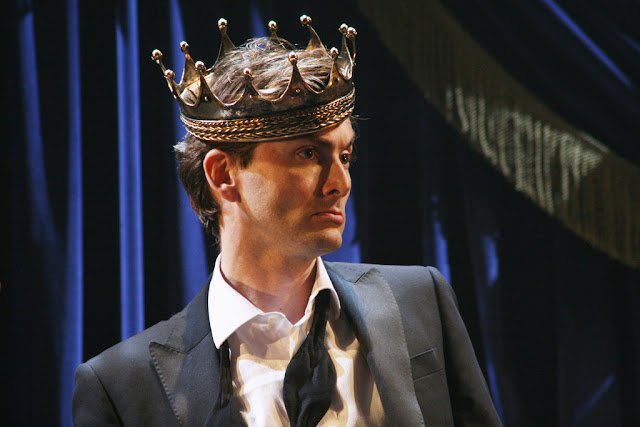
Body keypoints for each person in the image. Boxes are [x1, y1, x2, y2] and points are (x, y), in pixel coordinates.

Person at [72, 16, 501, 426]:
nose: (340, 183)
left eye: (345, 156)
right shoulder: (122, 387)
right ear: (223, 174)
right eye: (308, 154)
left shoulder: (420, 303)